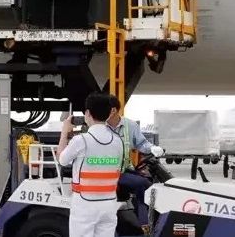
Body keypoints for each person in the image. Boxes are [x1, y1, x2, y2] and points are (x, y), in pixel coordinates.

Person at [57, 94, 124, 237]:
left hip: (85, 204)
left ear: (87, 113)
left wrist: (64, 132)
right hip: (109, 203)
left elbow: (62, 160)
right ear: (109, 113)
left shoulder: (81, 140)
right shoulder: (118, 141)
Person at [106, 95, 164, 224]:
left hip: (125, 170)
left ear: (113, 110)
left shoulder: (130, 125)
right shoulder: (100, 127)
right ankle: (145, 223)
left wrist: (152, 148)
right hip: (107, 172)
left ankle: (145, 221)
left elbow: (142, 143)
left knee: (149, 184)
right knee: (142, 184)